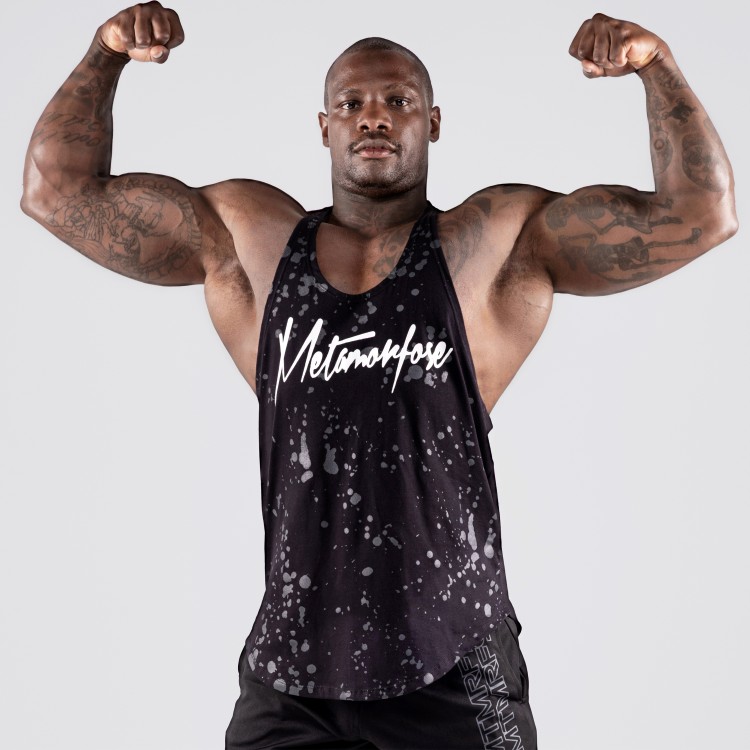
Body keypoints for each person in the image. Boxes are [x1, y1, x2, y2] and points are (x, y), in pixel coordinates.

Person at [20, 2, 737, 748]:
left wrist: (656, 64)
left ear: (433, 122)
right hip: (292, 671)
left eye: (398, 101)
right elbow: (55, 195)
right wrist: (105, 52)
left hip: (457, 657)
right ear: (323, 127)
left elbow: (703, 214)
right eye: (351, 103)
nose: (373, 116)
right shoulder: (250, 242)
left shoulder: (494, 245)